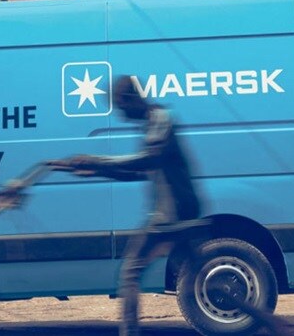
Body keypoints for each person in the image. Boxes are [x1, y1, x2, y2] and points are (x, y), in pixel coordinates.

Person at [49, 76, 202, 336]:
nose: (122, 115)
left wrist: (96, 161)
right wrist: (94, 170)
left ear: (132, 99)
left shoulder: (160, 119)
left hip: (170, 214)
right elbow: (139, 171)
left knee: (131, 272)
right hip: (178, 210)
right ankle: (266, 319)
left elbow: (147, 160)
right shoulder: (152, 124)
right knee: (199, 274)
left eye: (121, 107)